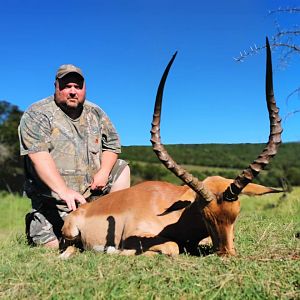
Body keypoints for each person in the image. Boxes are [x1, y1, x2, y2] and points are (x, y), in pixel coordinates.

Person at [18, 64, 130, 249]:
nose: (72, 91)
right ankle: (38, 223)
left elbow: (112, 146)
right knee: (56, 245)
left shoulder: (96, 113)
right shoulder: (37, 113)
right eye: (67, 86)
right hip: (55, 202)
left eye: (77, 87)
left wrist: (103, 172)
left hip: (93, 197)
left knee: (121, 167)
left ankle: (114, 222)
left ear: (84, 89)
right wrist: (64, 191)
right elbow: (38, 156)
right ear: (56, 86)